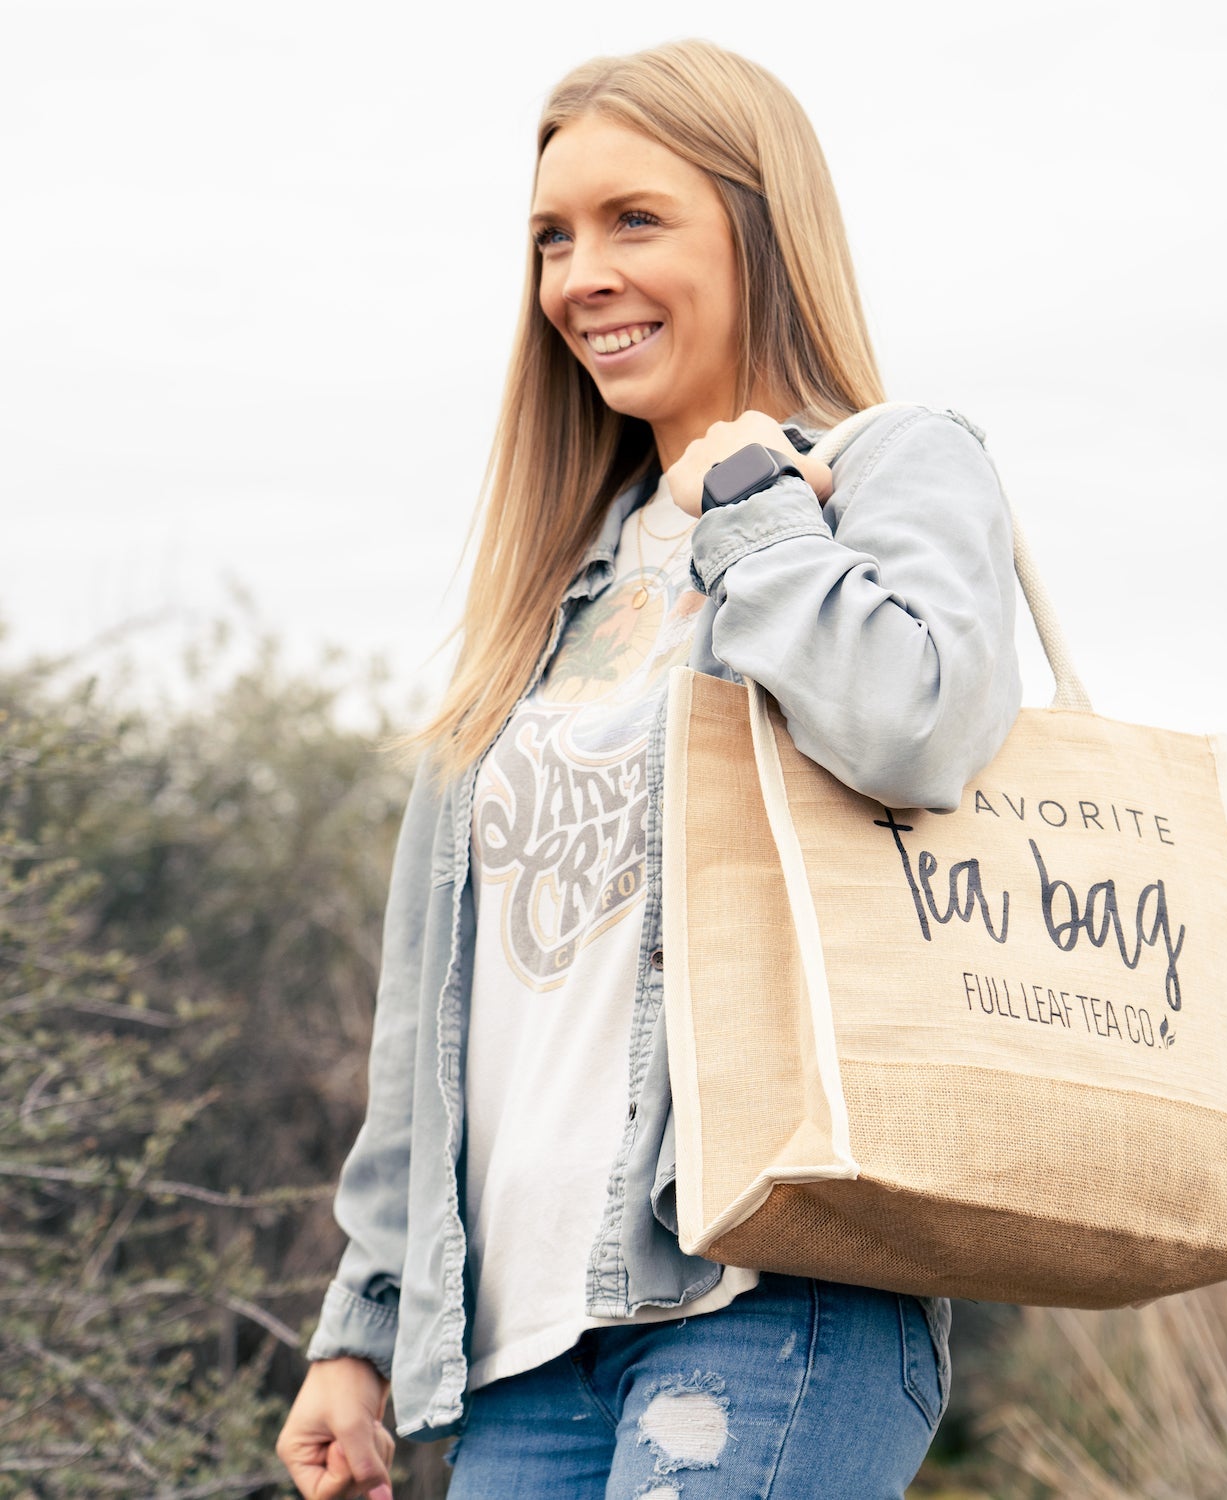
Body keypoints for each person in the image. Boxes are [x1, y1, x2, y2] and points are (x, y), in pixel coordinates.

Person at [276, 38, 1020, 1500]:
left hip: (766, 1293)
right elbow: (442, 1007)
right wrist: (359, 1328)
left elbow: (920, 727)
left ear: (759, 226)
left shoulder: (884, 469)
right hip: (522, 1354)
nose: (577, 276)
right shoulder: (558, 585)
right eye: (552, 236)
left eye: (634, 220)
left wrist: (751, 508)